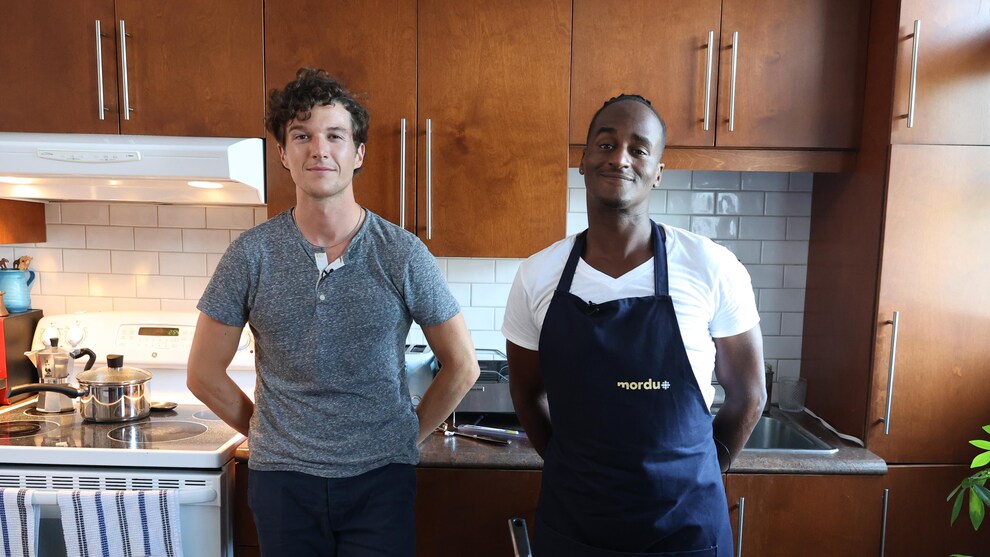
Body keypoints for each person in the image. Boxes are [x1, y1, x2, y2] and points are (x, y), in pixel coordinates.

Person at [187, 68, 480, 557]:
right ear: (283, 153)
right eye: (302, 136)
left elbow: (463, 366)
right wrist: (269, 433)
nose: (318, 150)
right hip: (283, 484)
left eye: (335, 136)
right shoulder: (251, 255)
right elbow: (202, 373)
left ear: (358, 153)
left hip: (380, 481)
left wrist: (406, 437)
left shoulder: (402, 253)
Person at [502, 94, 766, 556]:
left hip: (686, 531)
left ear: (658, 171)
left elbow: (749, 395)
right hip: (574, 529)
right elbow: (526, 395)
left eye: (638, 149)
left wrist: (705, 468)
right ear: (583, 161)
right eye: (606, 145)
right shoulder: (538, 274)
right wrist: (572, 470)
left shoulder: (712, 267)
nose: (620, 158)